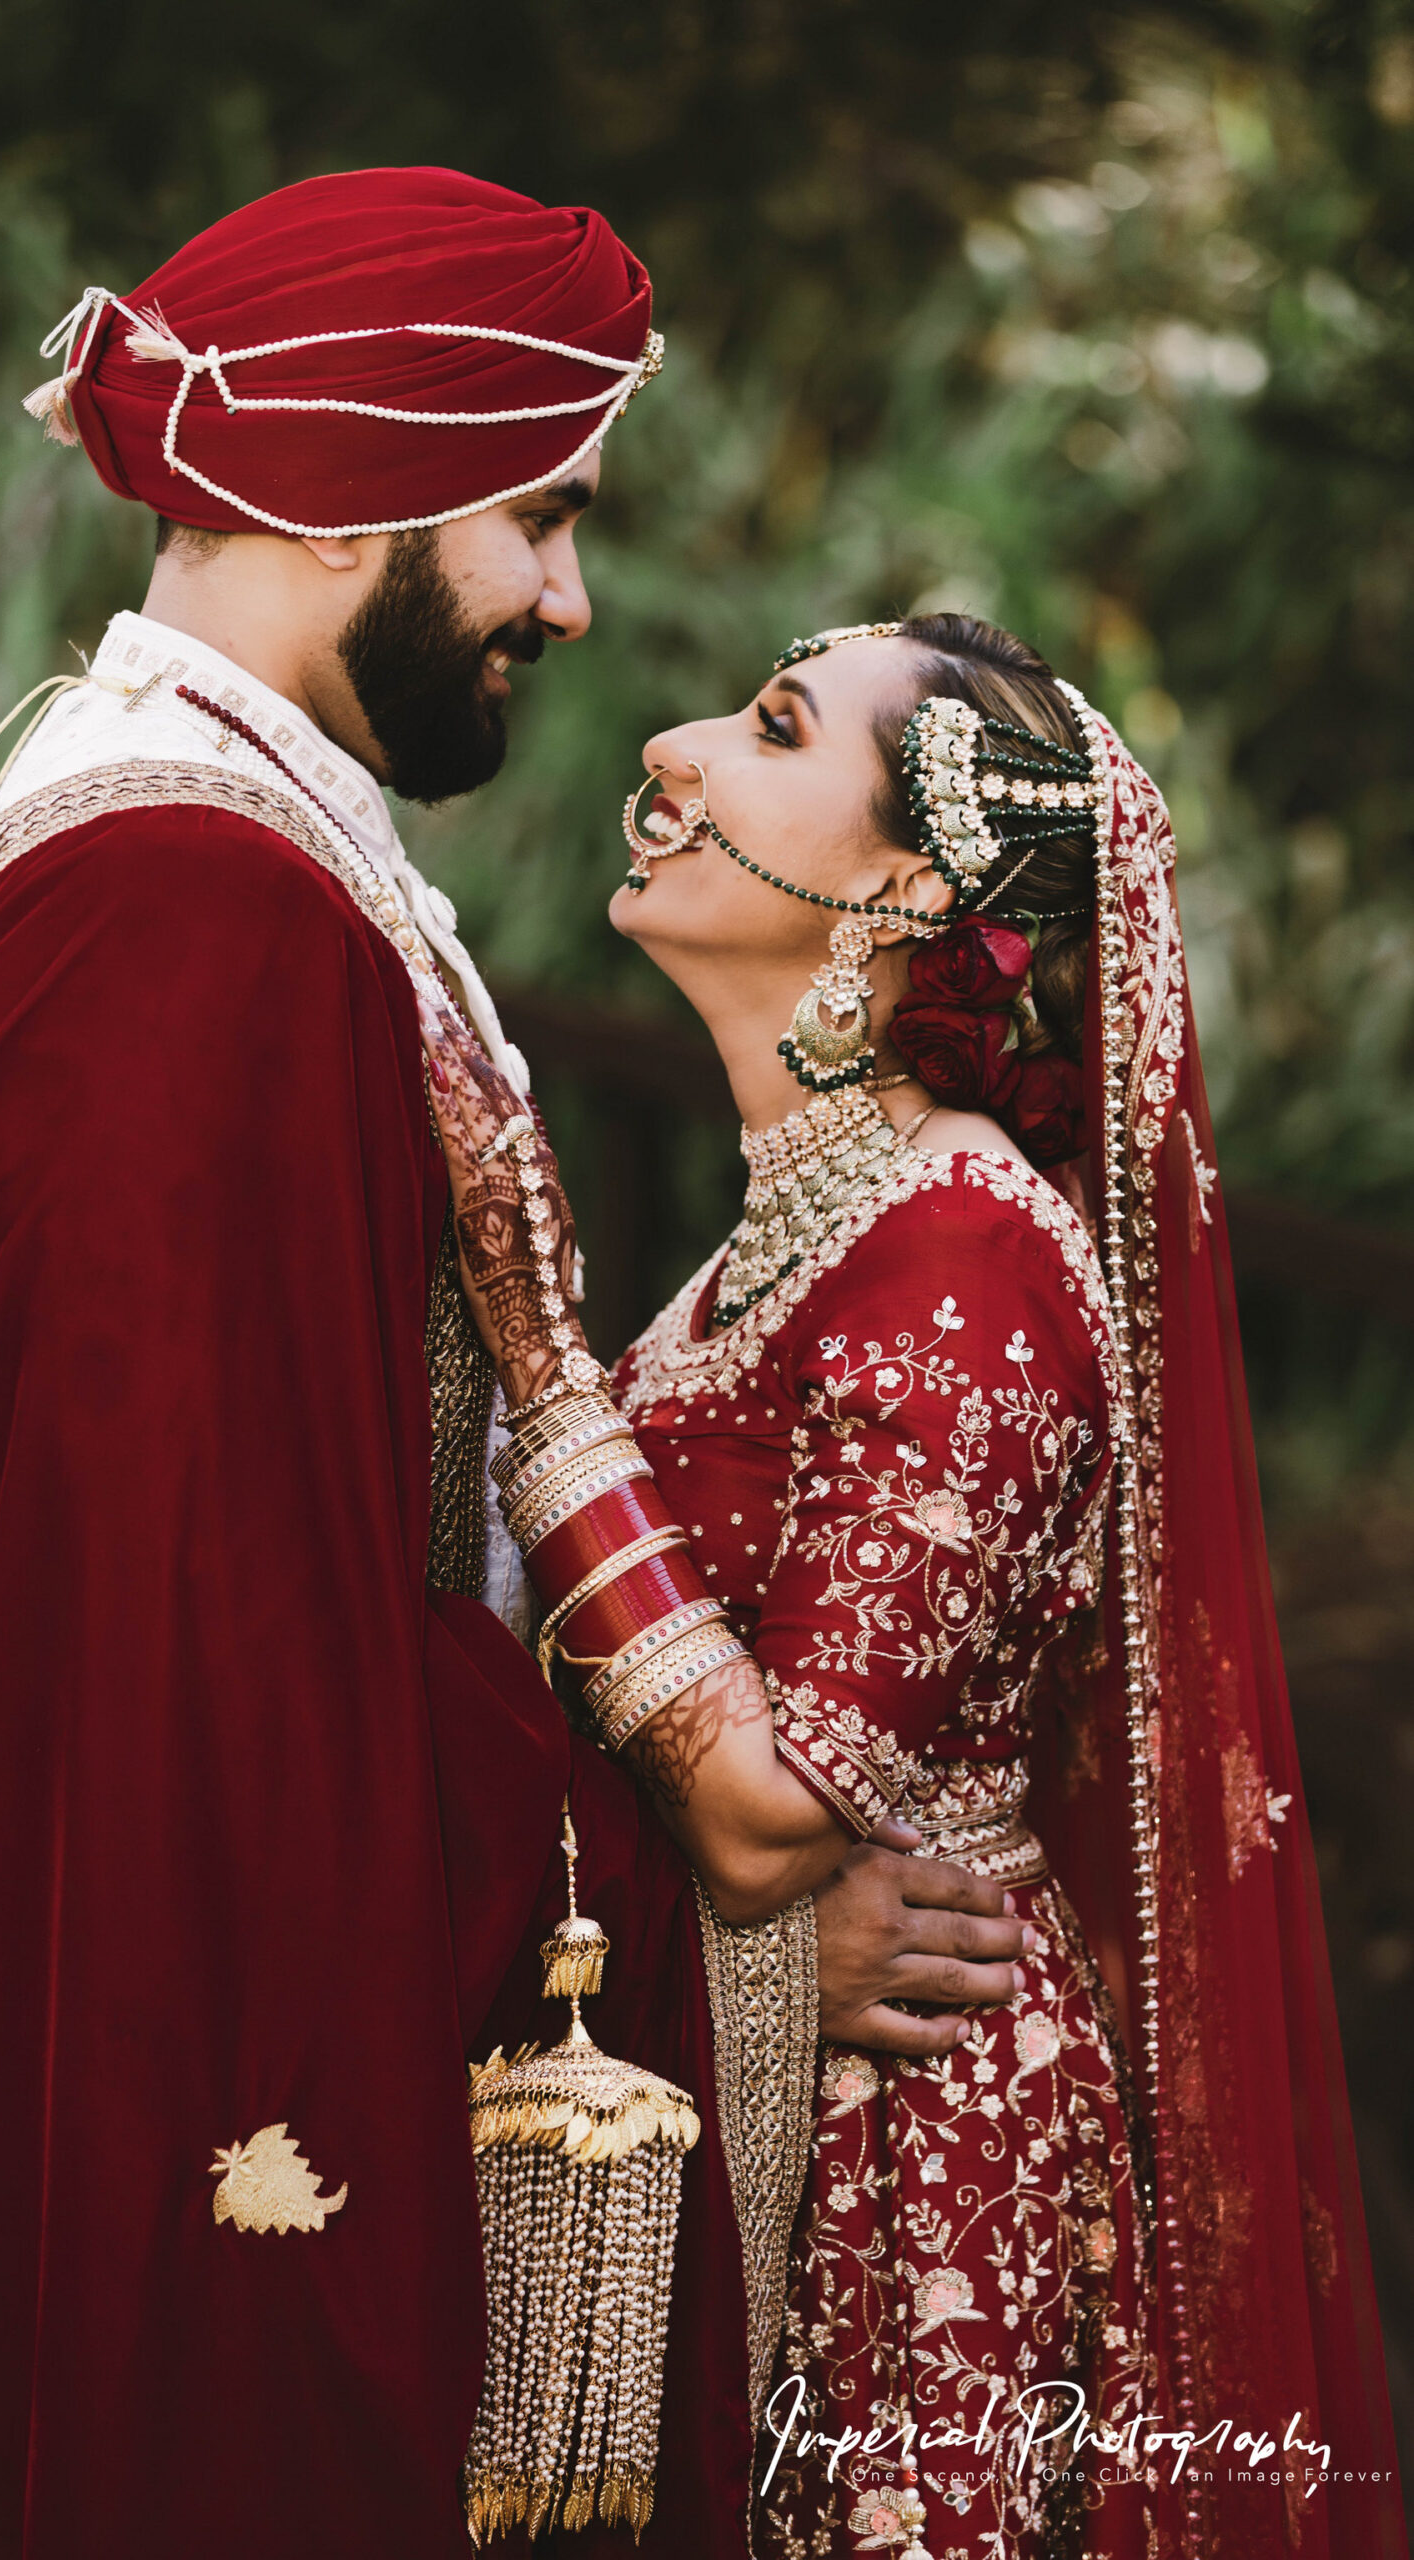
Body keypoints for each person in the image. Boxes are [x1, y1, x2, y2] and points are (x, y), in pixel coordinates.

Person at [0, 178, 1026, 2559]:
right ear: (348, 486)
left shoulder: (153, 836)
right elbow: (219, 1672)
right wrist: (694, 1916)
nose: (569, 603)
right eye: (540, 520)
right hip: (128, 2133)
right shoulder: (198, 925)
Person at [424, 612, 1401, 2556]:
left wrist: (540, 1372)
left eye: (769, 728)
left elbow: (773, 1805)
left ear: (899, 889)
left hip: (894, 2164)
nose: (678, 746)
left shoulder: (966, 1267)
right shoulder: (783, 1241)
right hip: (770, 2093)